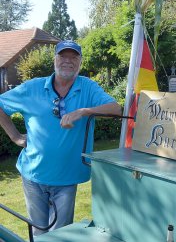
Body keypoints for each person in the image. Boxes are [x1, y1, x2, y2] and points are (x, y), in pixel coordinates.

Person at [0, 40, 122, 236]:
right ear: (55, 59)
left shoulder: (88, 87)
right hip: (33, 175)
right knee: (39, 234)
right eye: (63, 56)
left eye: (74, 57)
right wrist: (15, 136)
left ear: (80, 62)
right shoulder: (32, 88)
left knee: (61, 235)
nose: (68, 61)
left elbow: (116, 109)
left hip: (67, 178)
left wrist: (83, 111)